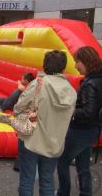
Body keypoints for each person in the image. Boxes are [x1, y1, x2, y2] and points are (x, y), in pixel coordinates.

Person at [14, 50, 77, 196]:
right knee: (47, 181)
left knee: (27, 181)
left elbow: (18, 107)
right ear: (63, 67)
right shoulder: (71, 90)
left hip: (31, 139)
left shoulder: (38, 84)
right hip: (55, 143)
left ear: (45, 65)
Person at [57, 46, 102, 196]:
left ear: (87, 62)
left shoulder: (90, 84)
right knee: (83, 166)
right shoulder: (97, 79)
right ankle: (86, 192)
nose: (76, 66)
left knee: (62, 161)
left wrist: (68, 111)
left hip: (80, 131)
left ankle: (63, 192)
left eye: (78, 62)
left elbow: (88, 112)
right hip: (91, 130)